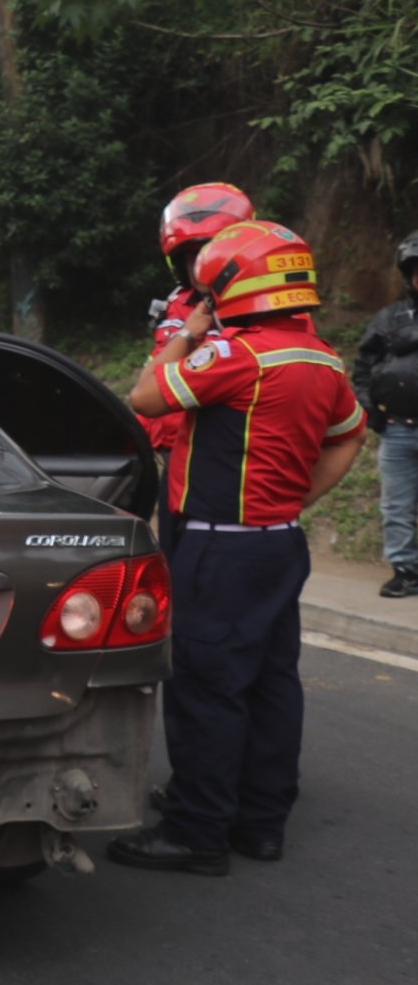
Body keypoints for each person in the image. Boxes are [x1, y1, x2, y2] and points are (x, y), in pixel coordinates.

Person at [110, 221, 365, 876]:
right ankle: (260, 824)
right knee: (271, 681)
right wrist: (295, 501)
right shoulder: (321, 359)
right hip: (279, 542)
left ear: (234, 285)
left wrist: (187, 337)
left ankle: (196, 830)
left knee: (206, 688)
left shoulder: (233, 356)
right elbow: (347, 437)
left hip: (218, 548)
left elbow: (143, 398)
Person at [143, 183, 257, 558]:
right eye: (193, 257)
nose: (201, 267)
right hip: (172, 456)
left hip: (225, 462)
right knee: (173, 565)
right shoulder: (177, 305)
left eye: (211, 255)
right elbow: (153, 383)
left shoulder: (257, 308)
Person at [351, 231, 418, 598]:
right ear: (409, 276)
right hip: (399, 430)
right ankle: (406, 570)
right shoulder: (389, 318)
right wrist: (371, 411)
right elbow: (363, 367)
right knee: (397, 505)